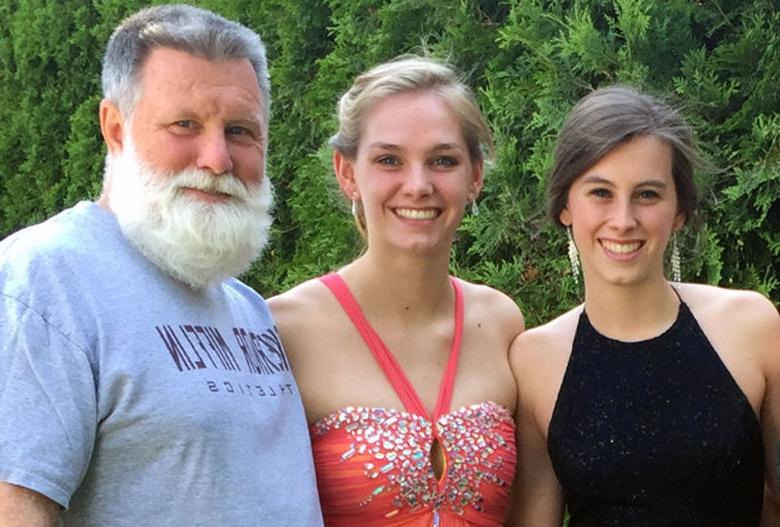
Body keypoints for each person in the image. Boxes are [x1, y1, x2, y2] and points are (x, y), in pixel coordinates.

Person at [0, 5, 323, 526]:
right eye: (185, 125)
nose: (217, 158)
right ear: (115, 128)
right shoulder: (47, 277)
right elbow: (14, 508)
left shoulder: (248, 308)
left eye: (240, 131)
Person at [268, 56, 525, 526]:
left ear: (475, 176)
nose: (418, 184)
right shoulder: (286, 329)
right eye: (389, 160)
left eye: (443, 160)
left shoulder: (501, 323)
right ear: (347, 173)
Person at [507, 85, 780, 526]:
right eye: (600, 192)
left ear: (679, 211)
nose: (623, 220)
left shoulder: (751, 327)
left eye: (647, 195)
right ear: (566, 207)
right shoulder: (534, 360)